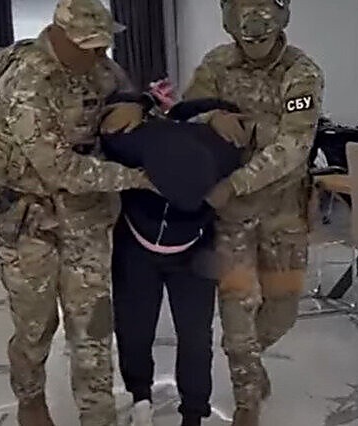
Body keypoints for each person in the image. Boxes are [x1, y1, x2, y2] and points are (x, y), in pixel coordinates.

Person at [0, 0, 154, 424]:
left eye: (103, 46)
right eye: (89, 46)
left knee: (93, 325)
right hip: (28, 217)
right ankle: (31, 399)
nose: (99, 55)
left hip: (87, 214)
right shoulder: (26, 80)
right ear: (60, 36)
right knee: (35, 324)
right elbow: (60, 169)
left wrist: (139, 105)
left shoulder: (102, 68)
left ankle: (98, 415)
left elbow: (129, 106)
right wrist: (137, 178)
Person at [183, 1, 324, 425]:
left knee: (283, 310)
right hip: (231, 217)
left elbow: (293, 147)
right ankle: (246, 398)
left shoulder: (302, 72)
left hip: (283, 213)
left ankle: (248, 355)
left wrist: (237, 179)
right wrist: (213, 116)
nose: (255, 35)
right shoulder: (216, 64)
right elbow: (186, 112)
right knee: (236, 306)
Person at [100, 98, 245, 426]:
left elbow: (220, 111)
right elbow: (109, 109)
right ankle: (140, 397)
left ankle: (194, 412)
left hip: (196, 248)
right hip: (135, 244)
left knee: (196, 336)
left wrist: (217, 114)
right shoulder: (125, 143)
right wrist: (138, 104)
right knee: (133, 329)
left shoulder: (227, 151)